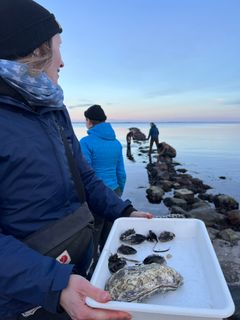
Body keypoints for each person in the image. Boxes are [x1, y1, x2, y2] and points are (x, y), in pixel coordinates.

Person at [0, 1, 153, 320]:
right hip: (23, 298)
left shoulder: (53, 110)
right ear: (36, 50)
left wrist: (125, 211)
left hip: (78, 273)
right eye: (58, 47)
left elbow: (85, 178)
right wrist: (54, 284)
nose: (63, 61)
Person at [80, 105, 126, 270]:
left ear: (90, 121)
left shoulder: (85, 142)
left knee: (93, 233)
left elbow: (85, 173)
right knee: (109, 232)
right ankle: (109, 265)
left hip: (96, 195)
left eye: (86, 120)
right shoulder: (116, 143)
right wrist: (119, 192)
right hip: (114, 192)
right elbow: (121, 172)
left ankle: (92, 268)